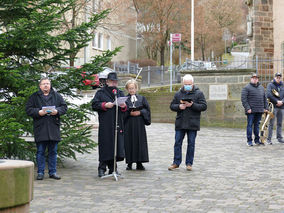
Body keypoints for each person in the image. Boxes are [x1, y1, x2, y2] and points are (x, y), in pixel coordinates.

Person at [26, 77, 67, 180]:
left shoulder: (57, 96)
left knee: (53, 151)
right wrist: (38, 112)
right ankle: (40, 172)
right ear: (40, 86)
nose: (46, 85)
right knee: (40, 151)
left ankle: (52, 172)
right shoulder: (34, 97)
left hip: (53, 127)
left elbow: (64, 107)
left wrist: (57, 111)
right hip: (41, 128)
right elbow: (28, 109)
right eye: (43, 84)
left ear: (50, 85)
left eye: (47, 84)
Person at [168, 74, 207, 171]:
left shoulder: (199, 93)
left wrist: (192, 105)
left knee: (191, 143)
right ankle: (176, 162)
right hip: (180, 122)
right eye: (185, 84)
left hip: (193, 123)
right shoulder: (178, 94)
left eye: (189, 84)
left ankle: (189, 163)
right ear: (183, 84)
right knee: (177, 143)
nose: (187, 86)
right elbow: (172, 106)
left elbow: (203, 106)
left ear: (193, 83)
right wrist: (179, 107)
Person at [92, 72, 127, 177]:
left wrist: (124, 105)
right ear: (107, 82)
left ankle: (113, 168)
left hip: (117, 122)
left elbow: (126, 108)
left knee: (115, 146)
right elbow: (94, 104)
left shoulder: (119, 92)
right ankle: (102, 167)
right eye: (112, 81)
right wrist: (104, 105)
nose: (114, 83)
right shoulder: (100, 93)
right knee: (105, 145)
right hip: (106, 123)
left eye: (115, 81)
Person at [124, 79, 151, 171]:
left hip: (139, 124)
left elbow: (147, 110)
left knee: (140, 142)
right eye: (130, 88)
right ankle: (129, 163)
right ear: (127, 89)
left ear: (136, 88)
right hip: (129, 124)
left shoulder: (142, 98)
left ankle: (139, 163)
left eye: (133, 88)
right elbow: (121, 112)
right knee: (129, 142)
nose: (132, 90)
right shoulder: (124, 99)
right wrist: (129, 113)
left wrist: (140, 112)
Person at [241, 73, 268, 146]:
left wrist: (266, 108)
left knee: (257, 126)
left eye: (256, 78)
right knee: (249, 125)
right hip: (251, 111)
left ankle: (257, 140)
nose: (255, 79)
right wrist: (247, 108)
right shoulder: (246, 88)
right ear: (251, 79)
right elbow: (244, 99)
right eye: (253, 78)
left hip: (259, 110)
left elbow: (265, 99)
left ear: (258, 79)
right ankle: (249, 141)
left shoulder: (261, 88)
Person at [266, 72, 284, 144]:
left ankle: (279, 138)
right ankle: (269, 139)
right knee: (271, 123)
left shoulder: (283, 85)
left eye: (279, 77)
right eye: (277, 77)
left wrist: (282, 102)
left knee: (279, 123)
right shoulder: (270, 85)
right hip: (274, 107)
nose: (278, 78)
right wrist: (277, 101)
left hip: (282, 107)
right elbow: (269, 94)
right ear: (274, 77)